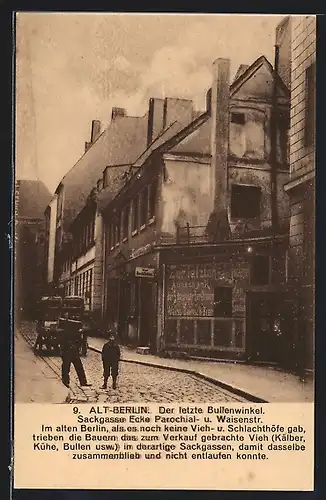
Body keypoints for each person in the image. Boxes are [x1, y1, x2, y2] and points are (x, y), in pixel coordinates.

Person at [59, 313, 92, 388]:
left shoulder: (74, 330)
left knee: (78, 366)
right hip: (67, 350)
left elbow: (79, 340)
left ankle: (83, 382)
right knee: (66, 366)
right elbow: (63, 340)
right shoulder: (66, 331)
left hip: (73, 350)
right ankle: (66, 381)